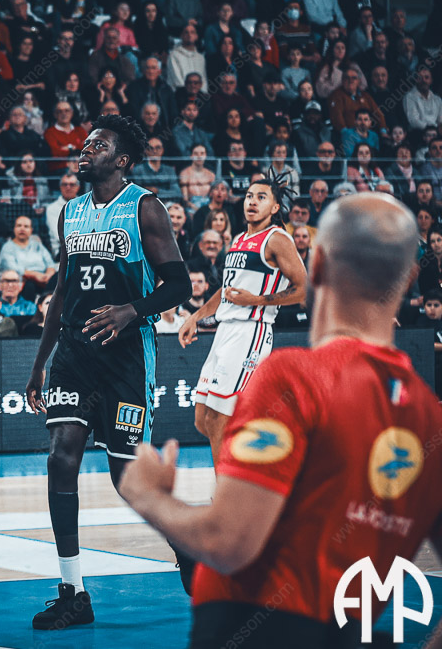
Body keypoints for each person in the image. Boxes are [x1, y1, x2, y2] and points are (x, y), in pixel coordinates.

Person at [122, 193, 442, 647]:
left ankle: (228, 491)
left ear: (318, 265)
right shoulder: (430, 417)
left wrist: (148, 497)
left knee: (218, 425)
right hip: (346, 630)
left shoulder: (293, 376)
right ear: (409, 278)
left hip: (251, 626)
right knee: (207, 419)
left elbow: (227, 543)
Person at [24, 114, 193, 627]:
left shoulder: (145, 208)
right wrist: (40, 364)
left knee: (128, 478)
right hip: (74, 356)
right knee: (61, 458)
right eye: (85, 143)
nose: (85, 148)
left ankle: (189, 545)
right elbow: (62, 292)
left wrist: (130, 311)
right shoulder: (69, 212)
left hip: (126, 357)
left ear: (121, 160)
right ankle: (73, 592)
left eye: (96, 144)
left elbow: (179, 286)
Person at [179, 180, 308, 460]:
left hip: (251, 331)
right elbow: (226, 290)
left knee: (218, 420)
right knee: (202, 419)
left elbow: (303, 289)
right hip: (225, 331)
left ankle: (228, 484)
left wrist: (258, 300)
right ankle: (259, 454)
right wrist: (196, 317)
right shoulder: (238, 239)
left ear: (275, 207)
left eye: (261, 197)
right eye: (249, 196)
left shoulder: (277, 239)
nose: (252, 201)